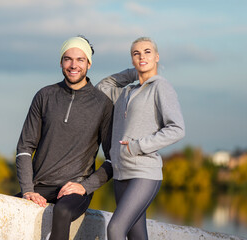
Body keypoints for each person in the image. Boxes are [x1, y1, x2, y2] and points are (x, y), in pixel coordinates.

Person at [15, 35, 114, 240]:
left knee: (62, 212)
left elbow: (113, 160)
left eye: (80, 59)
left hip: (74, 189)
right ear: (61, 62)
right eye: (68, 59)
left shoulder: (102, 104)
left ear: (89, 64)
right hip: (40, 185)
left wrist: (84, 187)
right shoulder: (45, 96)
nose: (73, 65)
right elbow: (25, 147)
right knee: (3, 208)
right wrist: (27, 190)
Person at [96, 37, 185, 240]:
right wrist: (134, 73)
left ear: (156, 57)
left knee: (115, 229)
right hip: (121, 173)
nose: (141, 56)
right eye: (136, 54)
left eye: (147, 52)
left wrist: (137, 146)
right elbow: (102, 87)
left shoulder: (161, 87)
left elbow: (177, 129)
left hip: (144, 173)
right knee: (136, 235)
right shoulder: (126, 91)